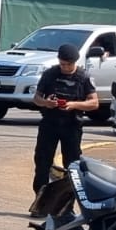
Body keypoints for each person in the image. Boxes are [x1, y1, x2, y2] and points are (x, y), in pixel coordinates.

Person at [30, 42, 98, 198]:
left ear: (75, 62)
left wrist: (74, 104)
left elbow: (94, 103)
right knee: (42, 162)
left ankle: (67, 203)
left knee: (72, 165)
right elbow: (36, 98)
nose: (65, 67)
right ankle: (40, 199)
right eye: (62, 64)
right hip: (50, 124)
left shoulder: (84, 77)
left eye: (68, 64)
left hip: (72, 125)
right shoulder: (50, 74)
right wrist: (46, 103)